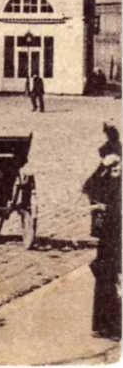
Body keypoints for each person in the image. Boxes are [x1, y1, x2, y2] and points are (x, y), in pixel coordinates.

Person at [83, 129, 121, 340]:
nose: (116, 169)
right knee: (106, 275)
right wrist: (103, 167)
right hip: (110, 234)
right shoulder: (107, 176)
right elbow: (89, 186)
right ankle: (105, 325)